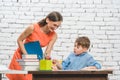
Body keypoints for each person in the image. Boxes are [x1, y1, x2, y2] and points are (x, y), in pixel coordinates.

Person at [6, 11, 63, 80]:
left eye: (58, 26)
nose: (55, 28)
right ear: (47, 20)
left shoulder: (54, 35)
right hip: (21, 56)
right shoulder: (32, 28)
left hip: (34, 59)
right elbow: (19, 40)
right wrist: (27, 56)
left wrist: (48, 60)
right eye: (54, 25)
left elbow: (47, 52)